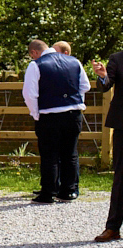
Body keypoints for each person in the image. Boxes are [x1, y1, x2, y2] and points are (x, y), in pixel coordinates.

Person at [24, 39, 90, 203]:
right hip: (73, 113)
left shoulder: (36, 65)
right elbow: (85, 86)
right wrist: (75, 102)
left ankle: (48, 192)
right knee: (70, 153)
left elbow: (30, 94)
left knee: (49, 154)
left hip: (49, 114)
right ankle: (69, 190)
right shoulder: (74, 61)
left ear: (34, 52)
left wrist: (36, 114)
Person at [91, 51, 123, 241]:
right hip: (122, 125)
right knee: (121, 177)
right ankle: (113, 227)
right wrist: (103, 76)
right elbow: (106, 85)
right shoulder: (117, 58)